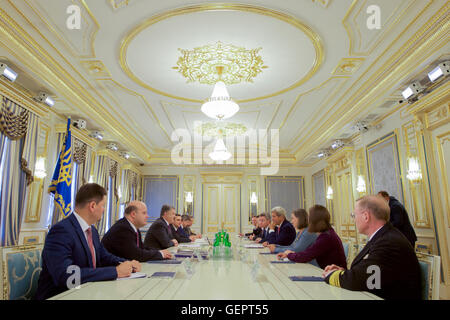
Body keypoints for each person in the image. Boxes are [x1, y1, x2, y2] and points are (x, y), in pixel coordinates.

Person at [35, 183, 141, 300]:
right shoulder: (61, 231)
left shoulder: (93, 231)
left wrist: (128, 263)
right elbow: (66, 275)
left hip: (88, 292)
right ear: (92, 206)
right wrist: (115, 272)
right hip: (61, 295)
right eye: (103, 205)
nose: (104, 210)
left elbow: (104, 257)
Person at [323, 196, 421, 300]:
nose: (354, 219)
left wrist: (332, 275)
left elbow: (359, 280)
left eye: (354, 215)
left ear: (366, 216)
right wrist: (343, 272)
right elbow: (370, 273)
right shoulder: (383, 236)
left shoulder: (389, 242)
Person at [277, 205, 346, 269]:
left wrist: (289, 255)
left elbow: (306, 256)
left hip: (334, 276)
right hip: (328, 272)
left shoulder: (326, 237)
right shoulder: (327, 233)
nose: (308, 221)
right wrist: (291, 254)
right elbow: (307, 253)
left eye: (309, 218)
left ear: (314, 220)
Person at [101, 201, 172, 261]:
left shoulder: (134, 228)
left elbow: (142, 248)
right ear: (133, 214)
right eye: (144, 213)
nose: (147, 216)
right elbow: (136, 255)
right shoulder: (122, 228)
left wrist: (159, 252)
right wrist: (160, 254)